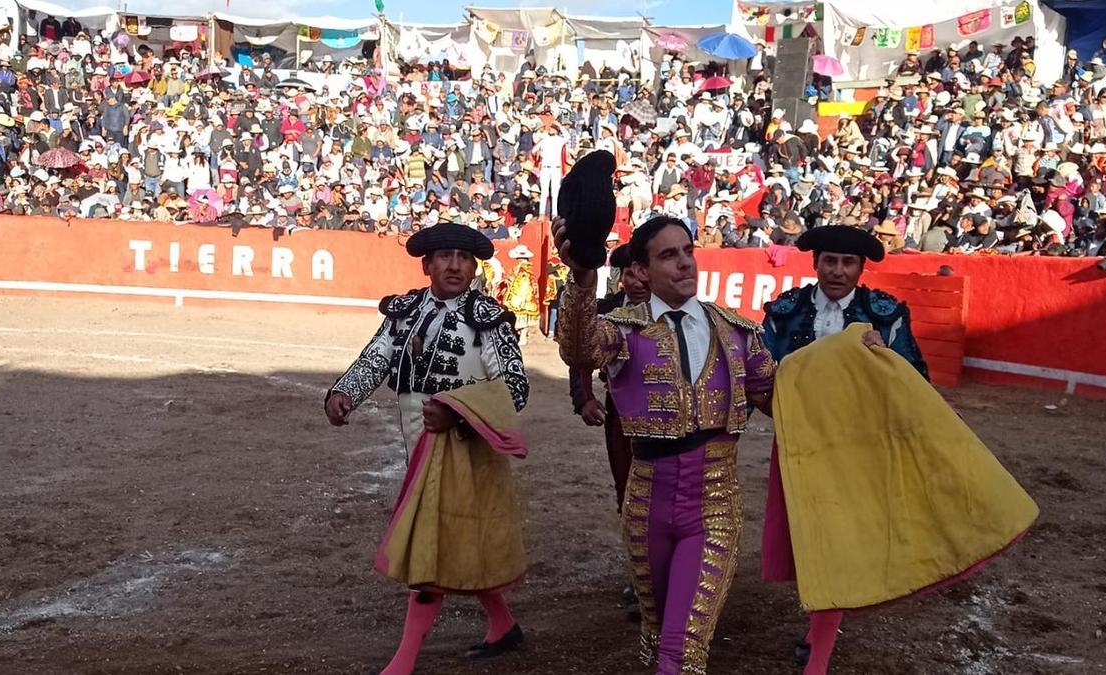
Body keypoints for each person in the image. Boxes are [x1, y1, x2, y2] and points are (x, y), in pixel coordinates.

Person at [759, 226, 1037, 675]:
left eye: (848, 263)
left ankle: (819, 654)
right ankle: (819, 633)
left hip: (864, 445)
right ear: (815, 264)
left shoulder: (884, 314)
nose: (837, 271)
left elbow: (913, 380)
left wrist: (885, 355)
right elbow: (762, 376)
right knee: (818, 537)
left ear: (861, 268)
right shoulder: (786, 311)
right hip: (805, 446)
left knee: (838, 540)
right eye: (829, 261)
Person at [553, 215, 776, 675]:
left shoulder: (735, 331)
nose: (684, 264)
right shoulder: (623, 330)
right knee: (656, 637)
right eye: (668, 255)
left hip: (713, 503)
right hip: (646, 503)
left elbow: (785, 400)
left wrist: (853, 370)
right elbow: (577, 350)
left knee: (681, 649)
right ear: (641, 270)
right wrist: (582, 277)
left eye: (688, 251)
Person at [323, 223, 530, 675]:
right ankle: (502, 625)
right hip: (418, 448)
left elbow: (515, 387)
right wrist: (344, 393)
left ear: (474, 266)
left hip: (469, 450)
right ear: (427, 264)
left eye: (463, 257)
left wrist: (458, 414)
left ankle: (404, 659)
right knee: (457, 543)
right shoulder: (406, 311)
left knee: (430, 547)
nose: (454, 265)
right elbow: (376, 357)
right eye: (444, 256)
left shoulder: (487, 318)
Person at [567, 243, 651, 619]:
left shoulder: (680, 311)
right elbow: (581, 359)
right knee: (629, 494)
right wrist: (584, 398)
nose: (634, 282)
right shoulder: (607, 312)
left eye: (640, 272)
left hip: (676, 418)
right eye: (626, 274)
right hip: (622, 414)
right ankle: (642, 577)